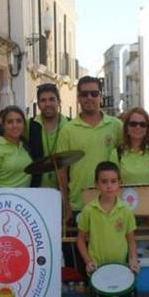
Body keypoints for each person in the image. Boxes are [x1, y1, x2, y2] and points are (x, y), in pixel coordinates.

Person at [76, 161, 139, 297]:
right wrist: (88, 261)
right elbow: (80, 239)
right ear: (96, 184)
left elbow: (131, 239)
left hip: (121, 269)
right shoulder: (89, 210)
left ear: (120, 184)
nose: (109, 186)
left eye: (113, 181)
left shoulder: (126, 210)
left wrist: (133, 259)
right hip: (98, 272)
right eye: (104, 182)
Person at [109, 107, 149, 272]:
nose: (138, 128)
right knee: (126, 264)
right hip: (125, 217)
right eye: (133, 123)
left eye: (142, 124)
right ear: (126, 127)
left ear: (148, 128)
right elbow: (112, 184)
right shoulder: (117, 153)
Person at [55, 76, 123, 219]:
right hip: (79, 204)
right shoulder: (68, 130)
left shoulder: (116, 126)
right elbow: (61, 171)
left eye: (94, 93)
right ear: (78, 98)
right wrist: (66, 203)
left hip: (112, 203)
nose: (89, 97)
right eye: (84, 94)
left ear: (100, 97)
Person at [28, 83, 70, 187]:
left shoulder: (71, 125)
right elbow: (8, 132)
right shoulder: (30, 124)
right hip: (37, 190)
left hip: (66, 189)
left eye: (51, 99)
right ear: (38, 104)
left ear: (59, 102)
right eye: (43, 100)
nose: (47, 104)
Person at [0, 106, 33, 188]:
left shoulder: (26, 145)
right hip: (4, 199)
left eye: (19, 121)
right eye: (10, 122)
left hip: (24, 199)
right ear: (3, 125)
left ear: (24, 124)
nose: (15, 125)